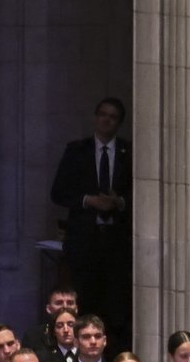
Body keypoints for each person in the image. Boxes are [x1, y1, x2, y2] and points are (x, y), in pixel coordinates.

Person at [46, 95, 134, 329]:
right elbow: (58, 192)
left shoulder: (129, 152)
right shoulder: (77, 150)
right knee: (84, 300)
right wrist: (89, 201)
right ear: (96, 118)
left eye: (113, 117)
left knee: (116, 305)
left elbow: (141, 194)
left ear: (119, 123)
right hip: (84, 241)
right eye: (103, 115)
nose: (107, 121)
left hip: (116, 243)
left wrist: (120, 202)